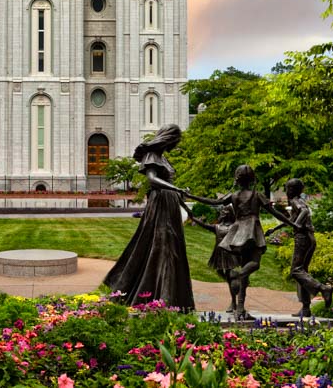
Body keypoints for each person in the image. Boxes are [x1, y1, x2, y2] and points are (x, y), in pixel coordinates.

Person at [104, 124, 194, 310]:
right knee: (162, 246)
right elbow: (152, 179)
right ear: (168, 138)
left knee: (171, 247)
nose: (176, 145)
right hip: (160, 204)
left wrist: (181, 197)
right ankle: (160, 297)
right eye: (175, 141)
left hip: (169, 204)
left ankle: (171, 297)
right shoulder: (152, 156)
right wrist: (175, 189)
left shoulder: (163, 158)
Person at [187, 164, 293, 320]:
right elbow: (275, 212)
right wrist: (292, 223)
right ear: (252, 179)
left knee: (245, 272)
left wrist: (191, 196)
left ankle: (240, 309)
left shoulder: (234, 195)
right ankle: (238, 276)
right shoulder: (257, 195)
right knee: (253, 264)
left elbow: (213, 202)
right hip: (252, 230)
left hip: (237, 232)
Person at [266, 178, 333, 317]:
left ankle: (323, 288)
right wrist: (275, 228)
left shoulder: (296, 201)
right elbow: (291, 219)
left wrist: (296, 225)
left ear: (293, 190)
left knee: (296, 271)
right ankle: (305, 308)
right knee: (303, 272)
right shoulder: (297, 201)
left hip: (303, 238)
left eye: (287, 189)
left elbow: (303, 212)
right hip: (309, 238)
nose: (286, 191)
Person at [188, 203, 242, 316]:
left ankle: (234, 301)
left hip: (230, 254)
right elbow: (205, 225)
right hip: (219, 254)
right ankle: (234, 285)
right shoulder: (217, 227)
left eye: (225, 212)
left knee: (231, 275)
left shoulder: (235, 226)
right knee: (221, 273)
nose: (222, 213)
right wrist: (193, 218)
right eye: (222, 211)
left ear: (229, 214)